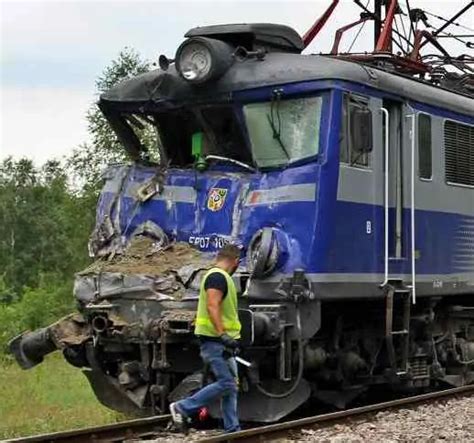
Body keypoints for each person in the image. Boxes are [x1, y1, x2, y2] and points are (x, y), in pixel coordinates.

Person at [170, 244, 242, 433]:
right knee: (226, 383)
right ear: (236, 261)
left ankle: (232, 428)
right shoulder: (217, 277)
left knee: (231, 386)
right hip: (216, 341)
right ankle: (182, 407)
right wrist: (223, 334)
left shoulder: (218, 276)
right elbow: (212, 306)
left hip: (223, 343)